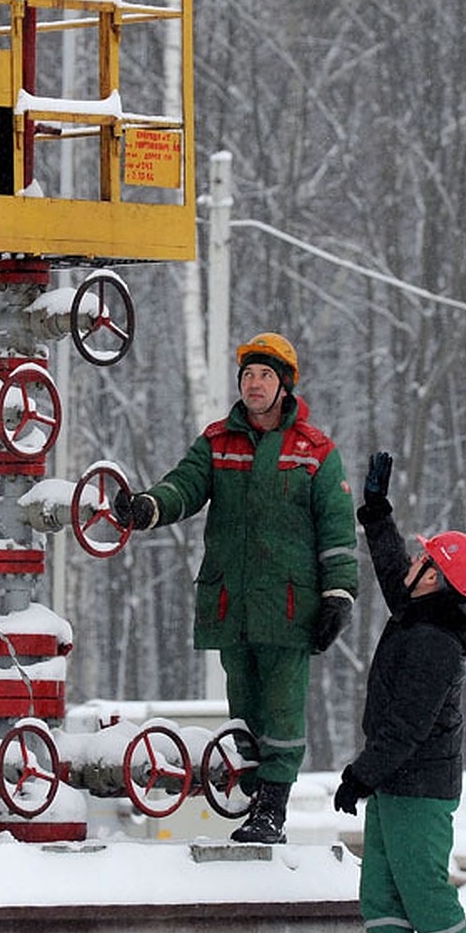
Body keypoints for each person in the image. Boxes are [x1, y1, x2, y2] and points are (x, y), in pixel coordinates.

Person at [115, 331, 358, 844]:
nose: (254, 384)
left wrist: (339, 595)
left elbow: (337, 531)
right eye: (248, 375)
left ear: (285, 386)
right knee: (244, 708)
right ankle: (250, 800)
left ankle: (273, 810)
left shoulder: (314, 452)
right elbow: (184, 486)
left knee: (284, 711)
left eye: (265, 375)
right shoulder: (217, 442)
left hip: (290, 608)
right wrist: (148, 507)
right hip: (233, 604)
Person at [334, 449, 466, 933]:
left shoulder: (435, 643)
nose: (413, 565)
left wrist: (360, 774)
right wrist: (377, 513)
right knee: (380, 897)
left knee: (425, 894)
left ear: (437, 577)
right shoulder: (423, 612)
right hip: (396, 785)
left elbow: (406, 727)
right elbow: (392, 573)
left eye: (424, 560)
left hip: (418, 790)